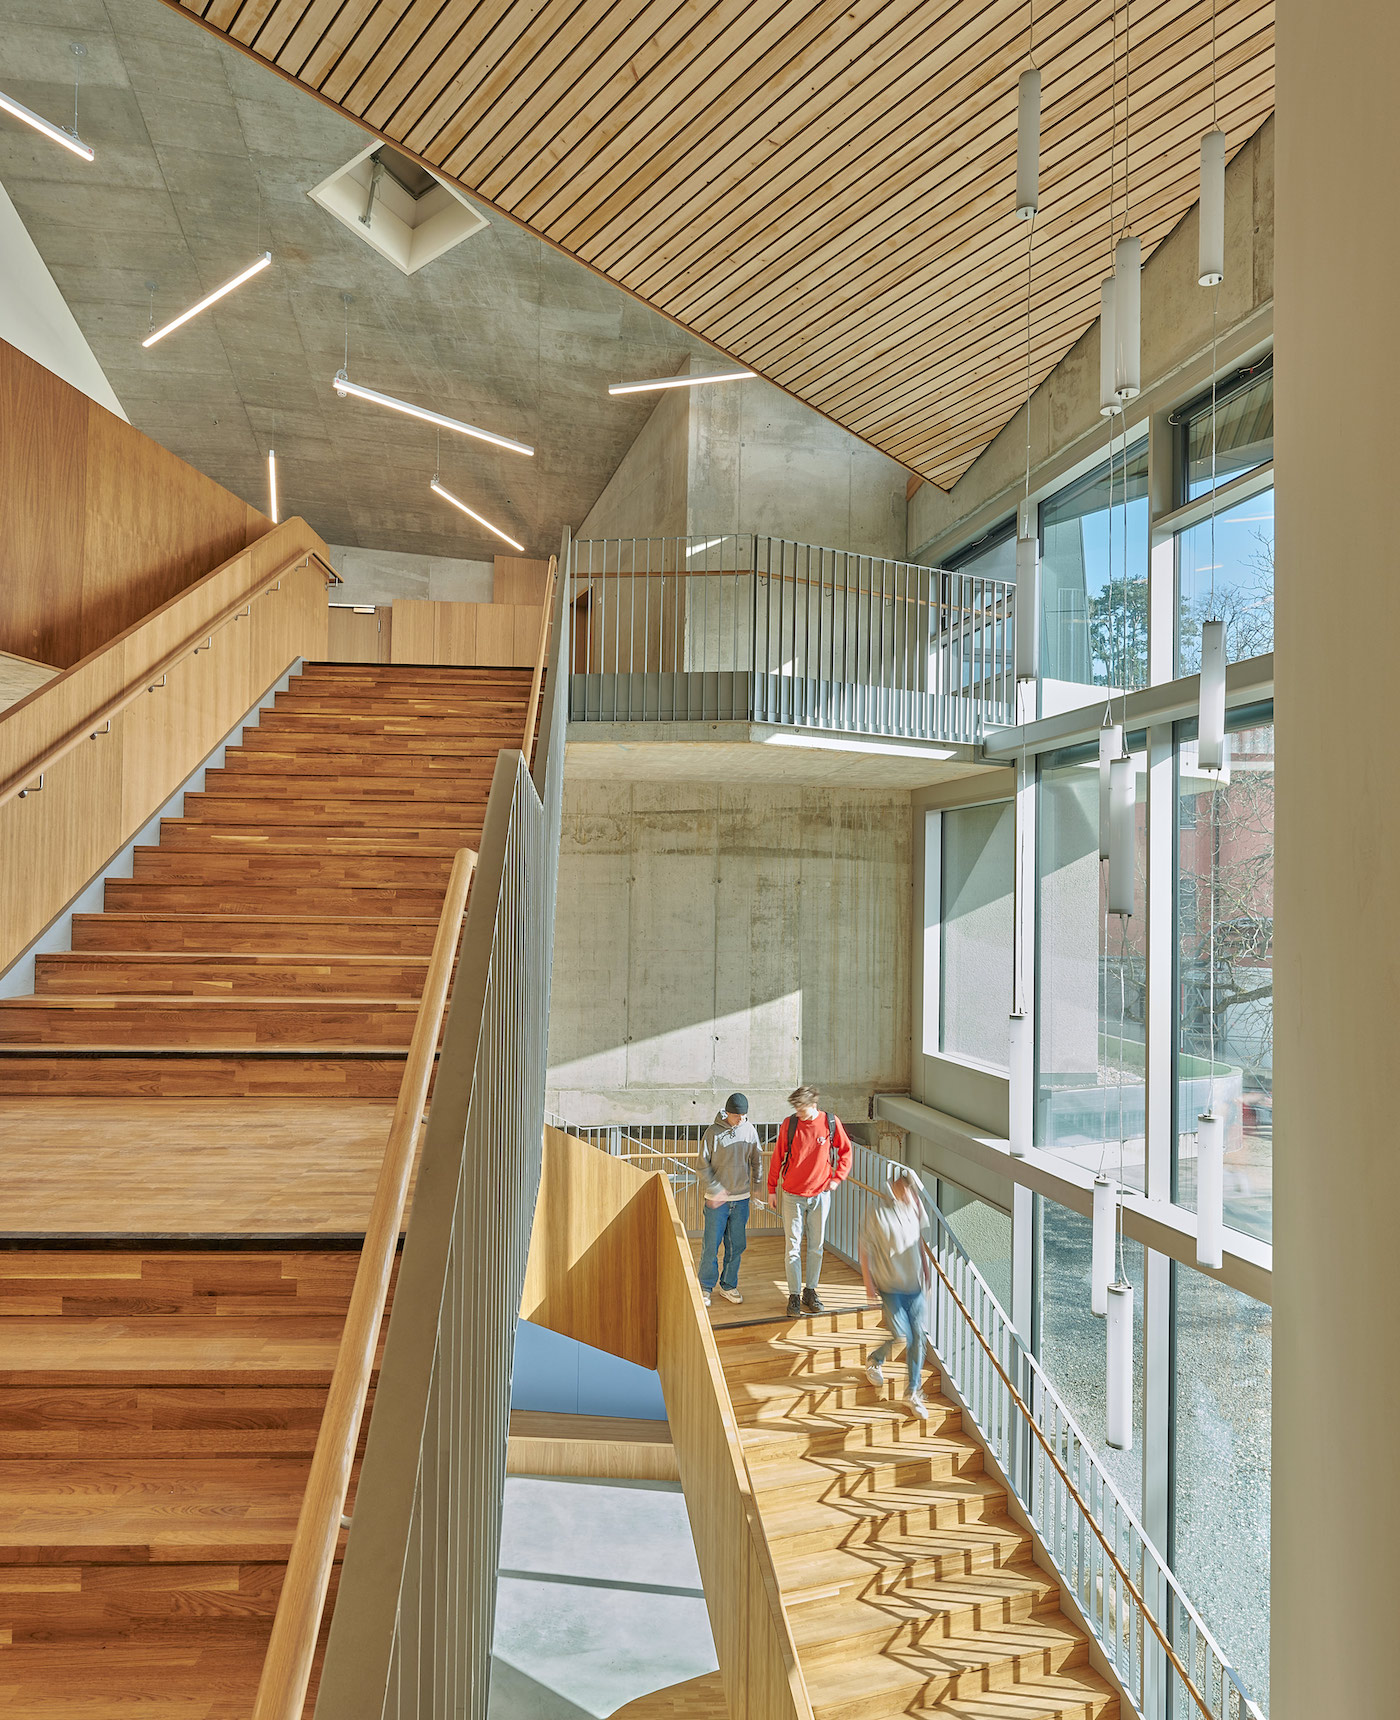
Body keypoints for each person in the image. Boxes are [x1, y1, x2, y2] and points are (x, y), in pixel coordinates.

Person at [766, 1085, 852, 1318]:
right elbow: (777, 1156)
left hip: (821, 1195)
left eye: (801, 1108)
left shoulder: (830, 1123)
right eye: (795, 1108)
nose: (798, 1112)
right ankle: (794, 1295)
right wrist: (771, 1188)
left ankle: (810, 1291)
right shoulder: (790, 1124)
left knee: (816, 1246)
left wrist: (837, 1178)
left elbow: (845, 1152)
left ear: (813, 1104)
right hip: (792, 1195)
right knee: (792, 1247)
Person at [860, 1170, 934, 1421]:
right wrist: (868, 1284)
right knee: (901, 1335)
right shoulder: (876, 1211)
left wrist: (926, 1269)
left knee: (918, 1337)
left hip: (914, 1286)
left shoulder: (914, 1207)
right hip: (890, 1286)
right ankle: (875, 1359)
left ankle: (912, 1391)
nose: (912, 1194)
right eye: (909, 1188)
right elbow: (865, 1249)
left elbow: (918, 1240)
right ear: (898, 1184)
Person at [697, 1093, 763, 1309]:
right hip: (716, 1202)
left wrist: (757, 1187)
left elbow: (757, 1161)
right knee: (711, 1246)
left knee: (736, 1246)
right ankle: (705, 1287)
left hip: (741, 1199)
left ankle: (728, 1286)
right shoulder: (712, 1133)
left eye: (744, 1116)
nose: (741, 1119)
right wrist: (716, 1190)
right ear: (727, 1113)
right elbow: (702, 1166)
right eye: (737, 1116)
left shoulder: (750, 1130)